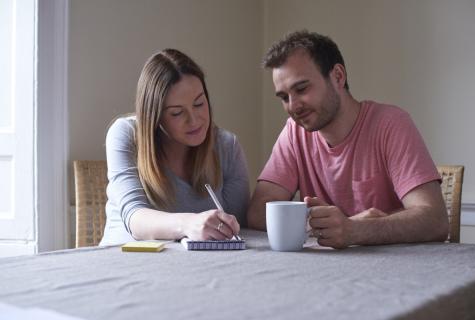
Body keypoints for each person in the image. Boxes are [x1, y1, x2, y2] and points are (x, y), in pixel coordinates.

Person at [247, 30, 449, 249]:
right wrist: (321, 223)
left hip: (399, 272)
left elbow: (435, 220)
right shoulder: (294, 133)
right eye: (284, 97)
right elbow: (259, 212)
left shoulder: (390, 124)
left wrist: (354, 230)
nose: (293, 106)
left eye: (302, 89)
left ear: (338, 76)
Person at [99, 49, 249, 246]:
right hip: (124, 260)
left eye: (199, 103)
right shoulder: (126, 134)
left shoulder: (226, 146)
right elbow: (135, 219)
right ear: (155, 116)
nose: (194, 120)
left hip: (195, 268)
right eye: (177, 113)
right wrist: (188, 224)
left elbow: (238, 225)